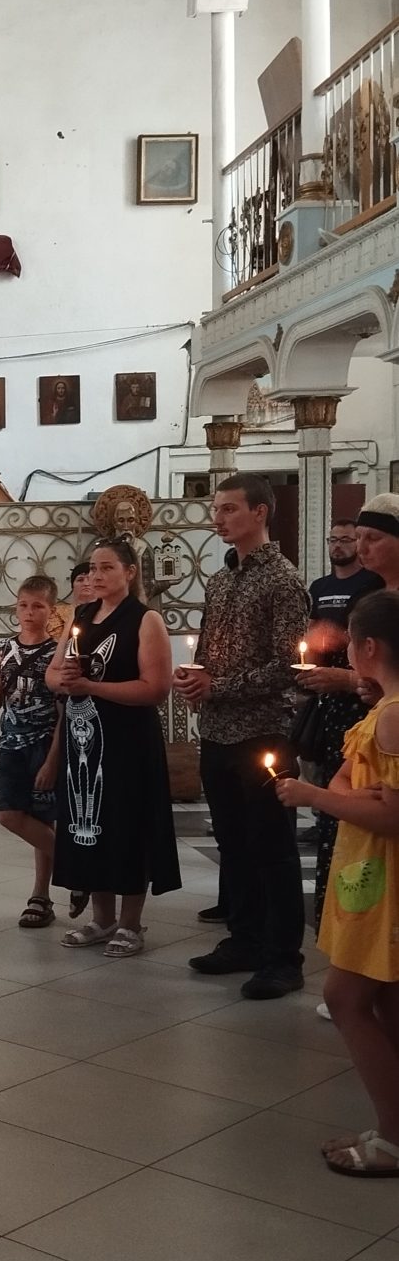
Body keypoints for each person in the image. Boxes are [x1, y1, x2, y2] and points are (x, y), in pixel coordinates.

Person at [275, 588, 399, 1175]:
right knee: (387, 1001)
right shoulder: (384, 708)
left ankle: (393, 1139)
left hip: (386, 876)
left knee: (344, 997)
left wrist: (312, 796)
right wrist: (348, 794)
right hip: (372, 870)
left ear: (368, 647)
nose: (346, 650)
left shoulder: (393, 716)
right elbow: (350, 783)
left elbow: (389, 814)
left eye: (350, 640)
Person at [175, 473, 309, 999]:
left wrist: (220, 686)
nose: (218, 518)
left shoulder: (283, 580)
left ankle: (284, 958)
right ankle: (245, 940)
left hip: (262, 733)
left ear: (260, 512)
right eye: (216, 509)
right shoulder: (220, 579)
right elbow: (211, 650)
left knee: (272, 847)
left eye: (229, 508)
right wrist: (196, 677)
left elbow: (288, 666)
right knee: (233, 843)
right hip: (218, 731)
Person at [49, 539, 180, 955]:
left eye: (107, 568)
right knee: (88, 824)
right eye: (92, 568)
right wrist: (66, 679)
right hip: (83, 740)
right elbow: (53, 674)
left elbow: (155, 688)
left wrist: (91, 686)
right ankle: (101, 919)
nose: (97, 576)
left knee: (127, 824)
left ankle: (130, 923)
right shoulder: (81, 616)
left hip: (127, 741)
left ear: (130, 572)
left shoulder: (145, 619)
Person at [293, 516, 383, 925]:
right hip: (335, 707)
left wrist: (350, 678)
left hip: (367, 708)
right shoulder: (321, 587)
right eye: (347, 539)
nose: (357, 547)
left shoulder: (373, 590)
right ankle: (341, 920)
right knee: (336, 788)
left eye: (368, 538)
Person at [0, 576, 63, 930]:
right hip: (12, 744)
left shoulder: (57, 653)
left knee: (43, 820)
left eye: (38, 606)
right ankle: (79, 865)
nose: (29, 613)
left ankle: (40, 896)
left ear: (51, 611)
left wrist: (53, 760)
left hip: (44, 744)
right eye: (23, 605)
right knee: (9, 815)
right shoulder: (3, 650)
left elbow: (64, 712)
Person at [64, 558, 97, 920]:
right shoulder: (71, 619)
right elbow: (55, 673)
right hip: (67, 717)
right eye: (82, 577)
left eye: (97, 575)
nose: (89, 582)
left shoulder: (132, 619)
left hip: (101, 720)